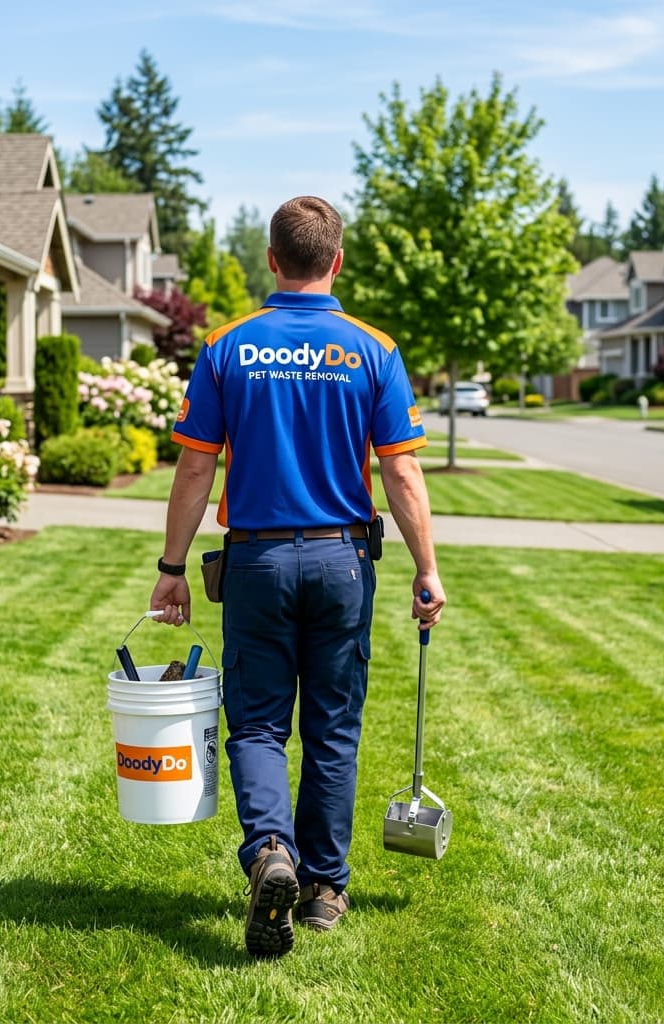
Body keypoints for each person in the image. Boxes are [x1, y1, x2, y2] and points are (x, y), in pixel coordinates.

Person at [149, 195, 445, 959]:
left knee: (254, 721)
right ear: (336, 262)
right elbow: (403, 471)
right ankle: (322, 890)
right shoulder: (371, 349)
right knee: (333, 728)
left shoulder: (227, 347)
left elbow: (193, 465)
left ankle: (269, 852)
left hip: (257, 562)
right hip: (344, 561)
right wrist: (428, 567)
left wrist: (173, 567)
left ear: (272, 261)